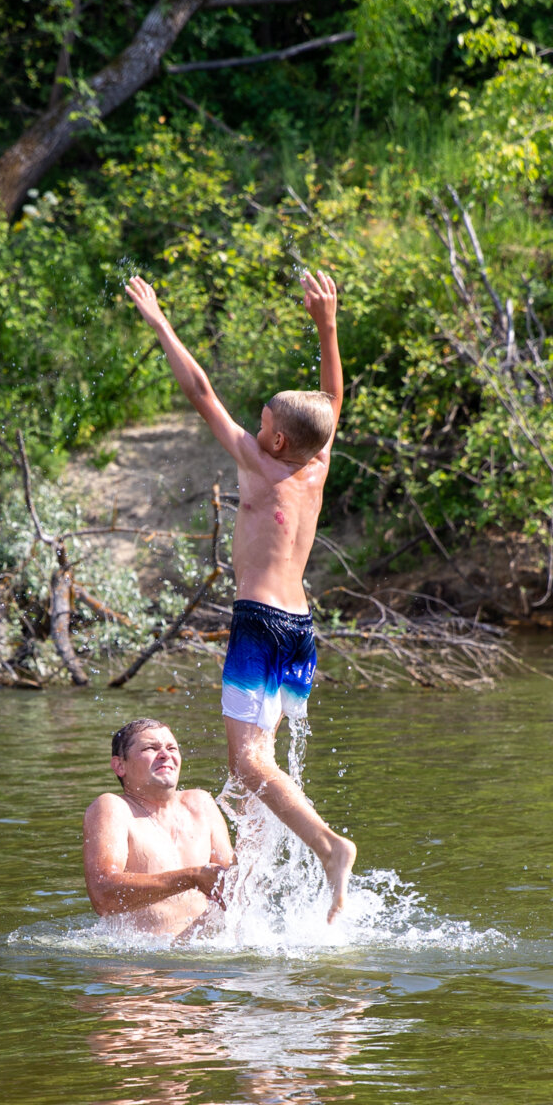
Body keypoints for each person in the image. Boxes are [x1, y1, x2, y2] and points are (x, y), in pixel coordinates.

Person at [122, 269, 358, 921]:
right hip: (299, 627)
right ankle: (246, 899)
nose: (252, 428)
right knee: (258, 767)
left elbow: (200, 391)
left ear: (276, 439)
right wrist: (327, 326)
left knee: (249, 763)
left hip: (258, 623)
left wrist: (160, 322)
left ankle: (329, 847)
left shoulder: (260, 462)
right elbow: (332, 401)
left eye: (261, 422)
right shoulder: (316, 461)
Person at [83, 718, 236, 939]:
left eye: (172, 748)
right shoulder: (113, 808)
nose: (165, 754)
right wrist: (191, 877)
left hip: (208, 957)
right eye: (150, 748)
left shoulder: (201, 803)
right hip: (140, 958)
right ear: (119, 765)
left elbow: (233, 889)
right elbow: (103, 896)